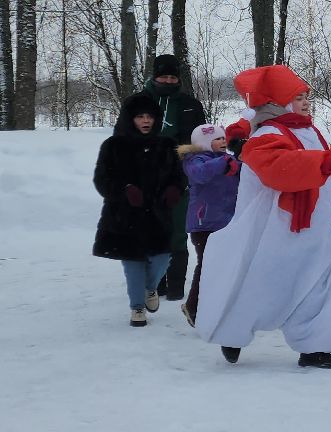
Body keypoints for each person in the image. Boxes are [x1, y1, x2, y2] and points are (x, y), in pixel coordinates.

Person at [192, 65, 331, 368]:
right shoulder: (267, 134)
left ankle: (315, 346)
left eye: (306, 96)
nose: (305, 102)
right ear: (277, 101)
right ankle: (231, 331)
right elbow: (280, 167)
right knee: (260, 281)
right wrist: (323, 164)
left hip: (316, 229)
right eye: (297, 97)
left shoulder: (309, 130)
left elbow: (323, 166)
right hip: (277, 232)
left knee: (318, 282)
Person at [92, 92, 188, 327]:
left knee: (162, 258)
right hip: (125, 217)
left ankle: (150, 288)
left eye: (149, 116)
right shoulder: (113, 145)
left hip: (158, 216)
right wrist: (124, 191)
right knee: (133, 263)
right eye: (139, 117)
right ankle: (137, 308)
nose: (145, 121)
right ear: (129, 119)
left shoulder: (167, 145)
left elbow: (180, 175)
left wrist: (175, 188)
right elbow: (101, 180)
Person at [136, 54, 206, 300]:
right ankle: (156, 284)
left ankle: (176, 288)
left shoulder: (190, 104)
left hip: (180, 178)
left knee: (177, 232)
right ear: (154, 76)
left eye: (172, 76)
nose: (167, 80)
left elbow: (201, 142)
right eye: (163, 76)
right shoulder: (139, 103)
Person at [179, 123, 240, 325]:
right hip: (203, 224)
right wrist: (224, 162)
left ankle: (216, 306)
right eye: (217, 138)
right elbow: (200, 174)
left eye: (224, 138)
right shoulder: (194, 160)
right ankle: (193, 307)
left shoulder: (227, 160)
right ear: (204, 142)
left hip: (226, 222)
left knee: (223, 267)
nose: (223, 141)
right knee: (207, 265)